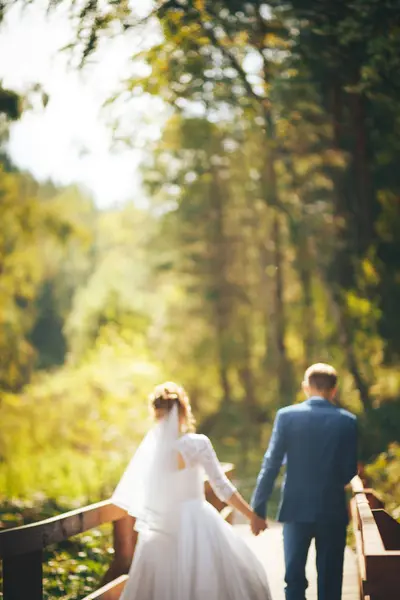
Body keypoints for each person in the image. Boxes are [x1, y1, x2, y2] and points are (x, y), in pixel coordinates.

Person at [112, 381, 272, 600]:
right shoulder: (197, 444)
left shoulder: (150, 453)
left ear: (155, 415)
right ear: (184, 411)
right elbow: (222, 487)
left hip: (161, 528)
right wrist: (251, 515)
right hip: (197, 520)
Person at [251, 363, 358, 600]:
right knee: (331, 580)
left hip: (295, 508)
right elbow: (349, 471)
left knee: (294, 579)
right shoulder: (347, 421)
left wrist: (257, 509)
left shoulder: (286, 417)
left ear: (305, 387)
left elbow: (271, 463)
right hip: (332, 511)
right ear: (335, 390)